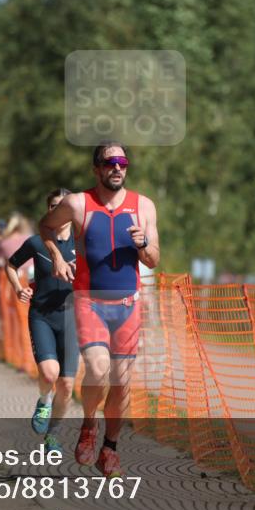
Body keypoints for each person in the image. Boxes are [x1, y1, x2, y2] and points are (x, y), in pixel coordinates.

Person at [38, 141, 160, 477]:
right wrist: (58, 256)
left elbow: (154, 258)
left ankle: (110, 448)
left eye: (123, 162)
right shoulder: (78, 204)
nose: (117, 168)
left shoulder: (143, 207)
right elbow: (46, 225)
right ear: (97, 169)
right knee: (97, 368)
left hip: (127, 306)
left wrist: (144, 244)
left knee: (121, 383)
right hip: (89, 301)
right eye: (110, 163)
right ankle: (89, 424)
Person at [5, 189, 78, 454]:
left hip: (72, 318)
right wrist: (18, 288)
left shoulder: (82, 244)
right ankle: (44, 399)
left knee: (68, 385)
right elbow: (11, 265)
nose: (57, 211)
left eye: (62, 206)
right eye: (52, 207)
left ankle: (53, 434)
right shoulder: (36, 243)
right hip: (42, 316)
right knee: (49, 373)